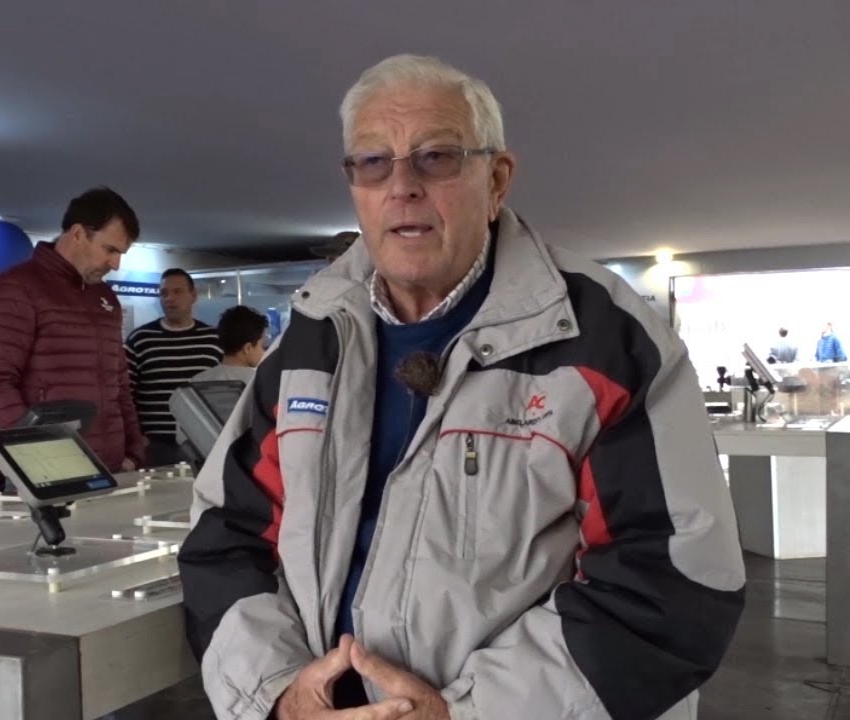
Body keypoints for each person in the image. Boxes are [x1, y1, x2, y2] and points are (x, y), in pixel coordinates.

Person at [178, 54, 745, 720]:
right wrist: (278, 693)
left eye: (436, 157)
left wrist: (465, 713)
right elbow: (226, 535)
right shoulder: (310, 337)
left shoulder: (607, 342)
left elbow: (671, 583)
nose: (402, 187)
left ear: (496, 179)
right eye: (373, 162)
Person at [0, 186, 146, 472]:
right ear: (78, 234)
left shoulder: (105, 297)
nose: (116, 264)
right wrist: (38, 458)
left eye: (121, 253)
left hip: (113, 469)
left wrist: (133, 451)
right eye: (110, 250)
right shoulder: (15, 288)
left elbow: (119, 384)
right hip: (47, 472)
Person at [126, 268, 222, 466]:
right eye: (164, 293)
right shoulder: (141, 339)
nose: (169, 299)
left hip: (203, 442)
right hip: (155, 444)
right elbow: (125, 393)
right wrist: (136, 438)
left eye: (177, 292)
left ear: (193, 295)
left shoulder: (213, 339)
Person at [189, 305, 270, 384]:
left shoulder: (197, 381)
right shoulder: (261, 383)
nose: (264, 352)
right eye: (262, 345)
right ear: (247, 348)